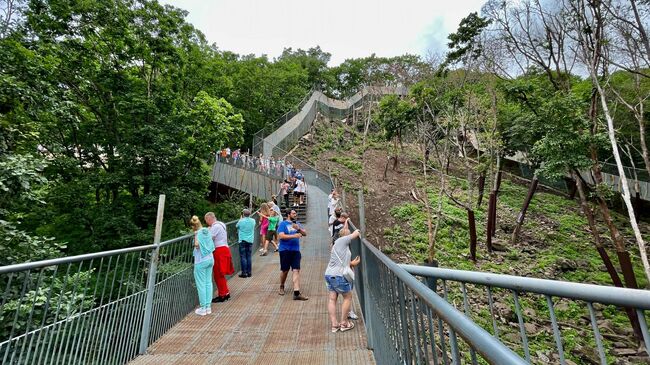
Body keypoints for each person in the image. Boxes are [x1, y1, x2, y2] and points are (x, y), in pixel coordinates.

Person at [325, 221, 361, 332]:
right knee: (348, 297)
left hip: (329, 274)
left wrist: (351, 264)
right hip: (338, 276)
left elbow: (340, 261)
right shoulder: (342, 240)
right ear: (345, 235)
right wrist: (359, 230)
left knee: (332, 299)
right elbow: (355, 233)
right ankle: (344, 323)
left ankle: (334, 324)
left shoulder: (338, 244)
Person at [277, 209, 309, 300]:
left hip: (295, 251)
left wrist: (298, 229)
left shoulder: (297, 223)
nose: (295, 214)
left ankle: (296, 293)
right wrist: (294, 236)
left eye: (296, 213)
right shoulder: (283, 224)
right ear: (288, 214)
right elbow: (281, 236)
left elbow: (305, 233)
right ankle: (282, 286)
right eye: (293, 213)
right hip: (285, 250)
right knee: (285, 270)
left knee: (296, 270)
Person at [205, 212, 234, 303]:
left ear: (209, 219)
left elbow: (209, 238)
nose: (207, 223)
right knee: (220, 274)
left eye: (206, 221)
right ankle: (225, 293)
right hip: (224, 249)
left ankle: (222, 295)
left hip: (219, 250)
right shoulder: (221, 224)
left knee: (218, 274)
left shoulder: (215, 226)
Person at [190, 216, 214, 316]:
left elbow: (197, 245)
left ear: (193, 226)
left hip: (201, 261)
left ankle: (203, 307)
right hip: (210, 259)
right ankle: (208, 307)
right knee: (208, 282)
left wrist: (195, 236)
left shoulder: (197, 233)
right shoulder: (207, 230)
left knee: (201, 284)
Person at [236, 209, 256, 278]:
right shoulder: (253, 220)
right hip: (250, 240)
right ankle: (249, 272)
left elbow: (237, 226)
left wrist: (240, 219)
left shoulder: (241, 221)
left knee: (243, 257)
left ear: (243, 214)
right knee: (249, 256)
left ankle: (244, 273)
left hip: (242, 240)